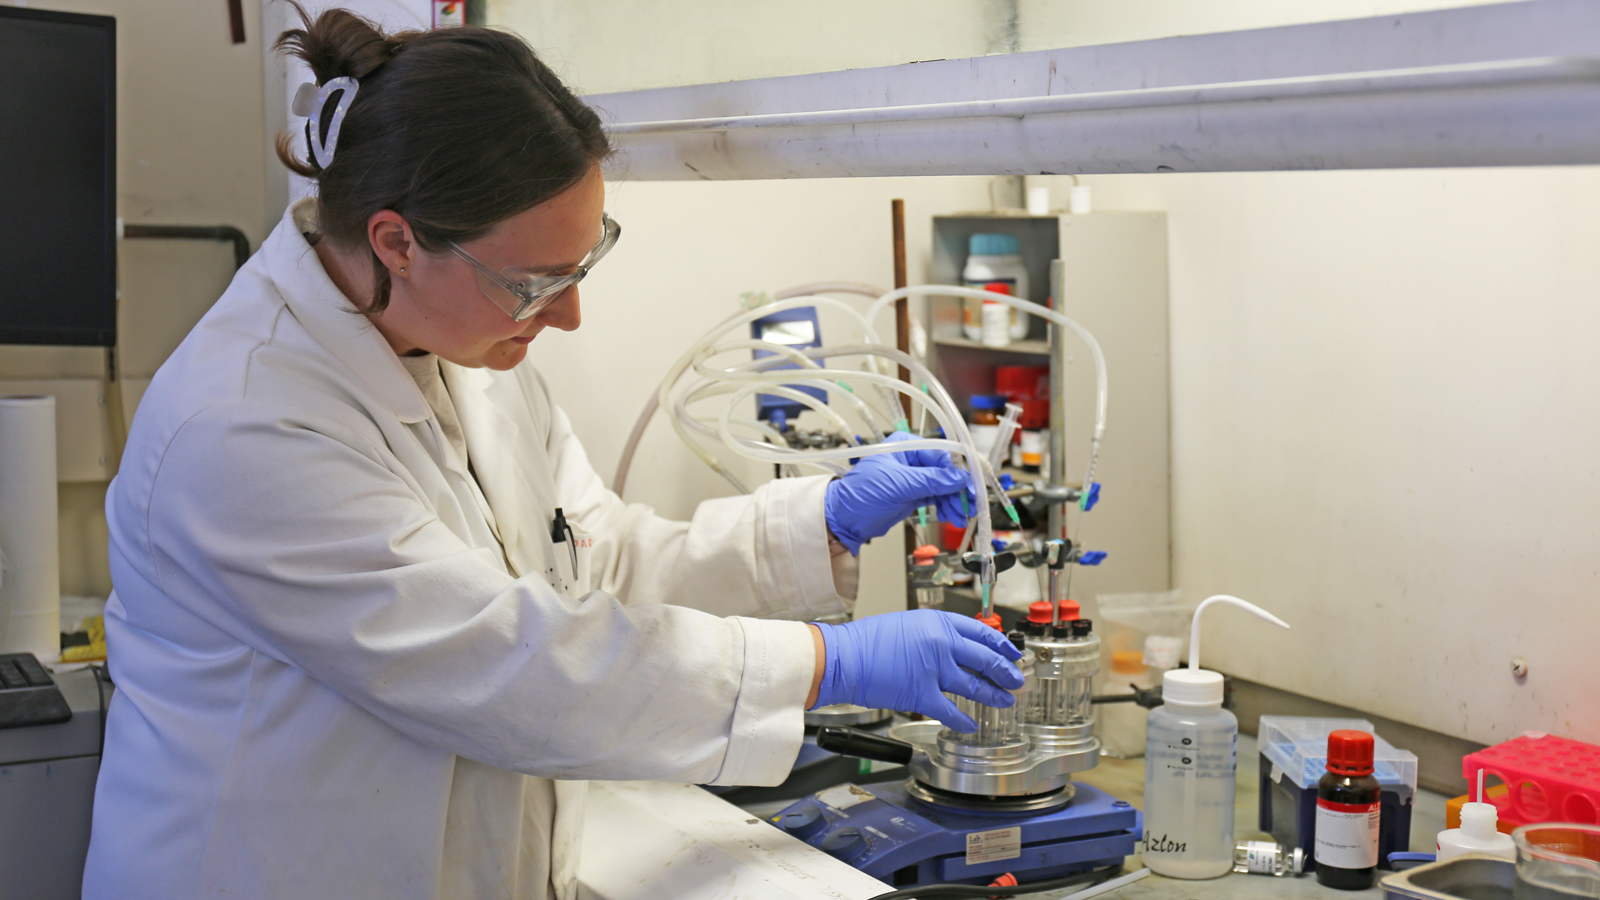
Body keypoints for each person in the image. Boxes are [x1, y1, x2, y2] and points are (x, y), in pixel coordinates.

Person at [81, 8, 1022, 900]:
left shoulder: (467, 346)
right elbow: (510, 663)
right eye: (537, 281)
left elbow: (592, 560)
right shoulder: (244, 423)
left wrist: (815, 523)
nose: (567, 313)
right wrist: (825, 664)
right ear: (396, 241)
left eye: (582, 265)